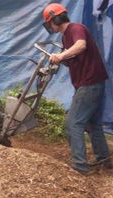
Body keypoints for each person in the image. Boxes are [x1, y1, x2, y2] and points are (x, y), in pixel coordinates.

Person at [42, 3, 112, 174]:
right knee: (93, 122)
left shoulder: (75, 28)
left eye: (49, 22)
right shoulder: (65, 37)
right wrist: (61, 59)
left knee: (73, 123)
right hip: (91, 82)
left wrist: (60, 55)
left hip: (89, 84)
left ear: (55, 19)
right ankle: (104, 158)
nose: (50, 26)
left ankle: (79, 166)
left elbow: (81, 46)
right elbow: (74, 56)